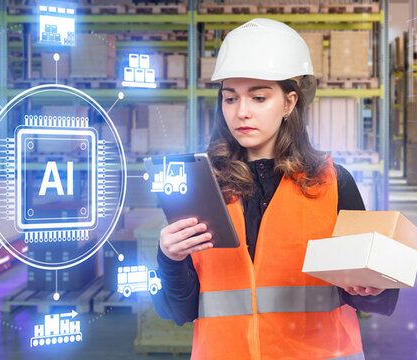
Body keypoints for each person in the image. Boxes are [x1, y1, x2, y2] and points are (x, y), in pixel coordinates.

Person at [151, 18, 398, 360]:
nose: (242, 112)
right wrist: (169, 258)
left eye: (259, 97)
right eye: (230, 98)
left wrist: (374, 284)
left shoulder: (332, 183)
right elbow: (177, 310)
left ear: (288, 103)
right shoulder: (202, 186)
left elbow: (374, 297)